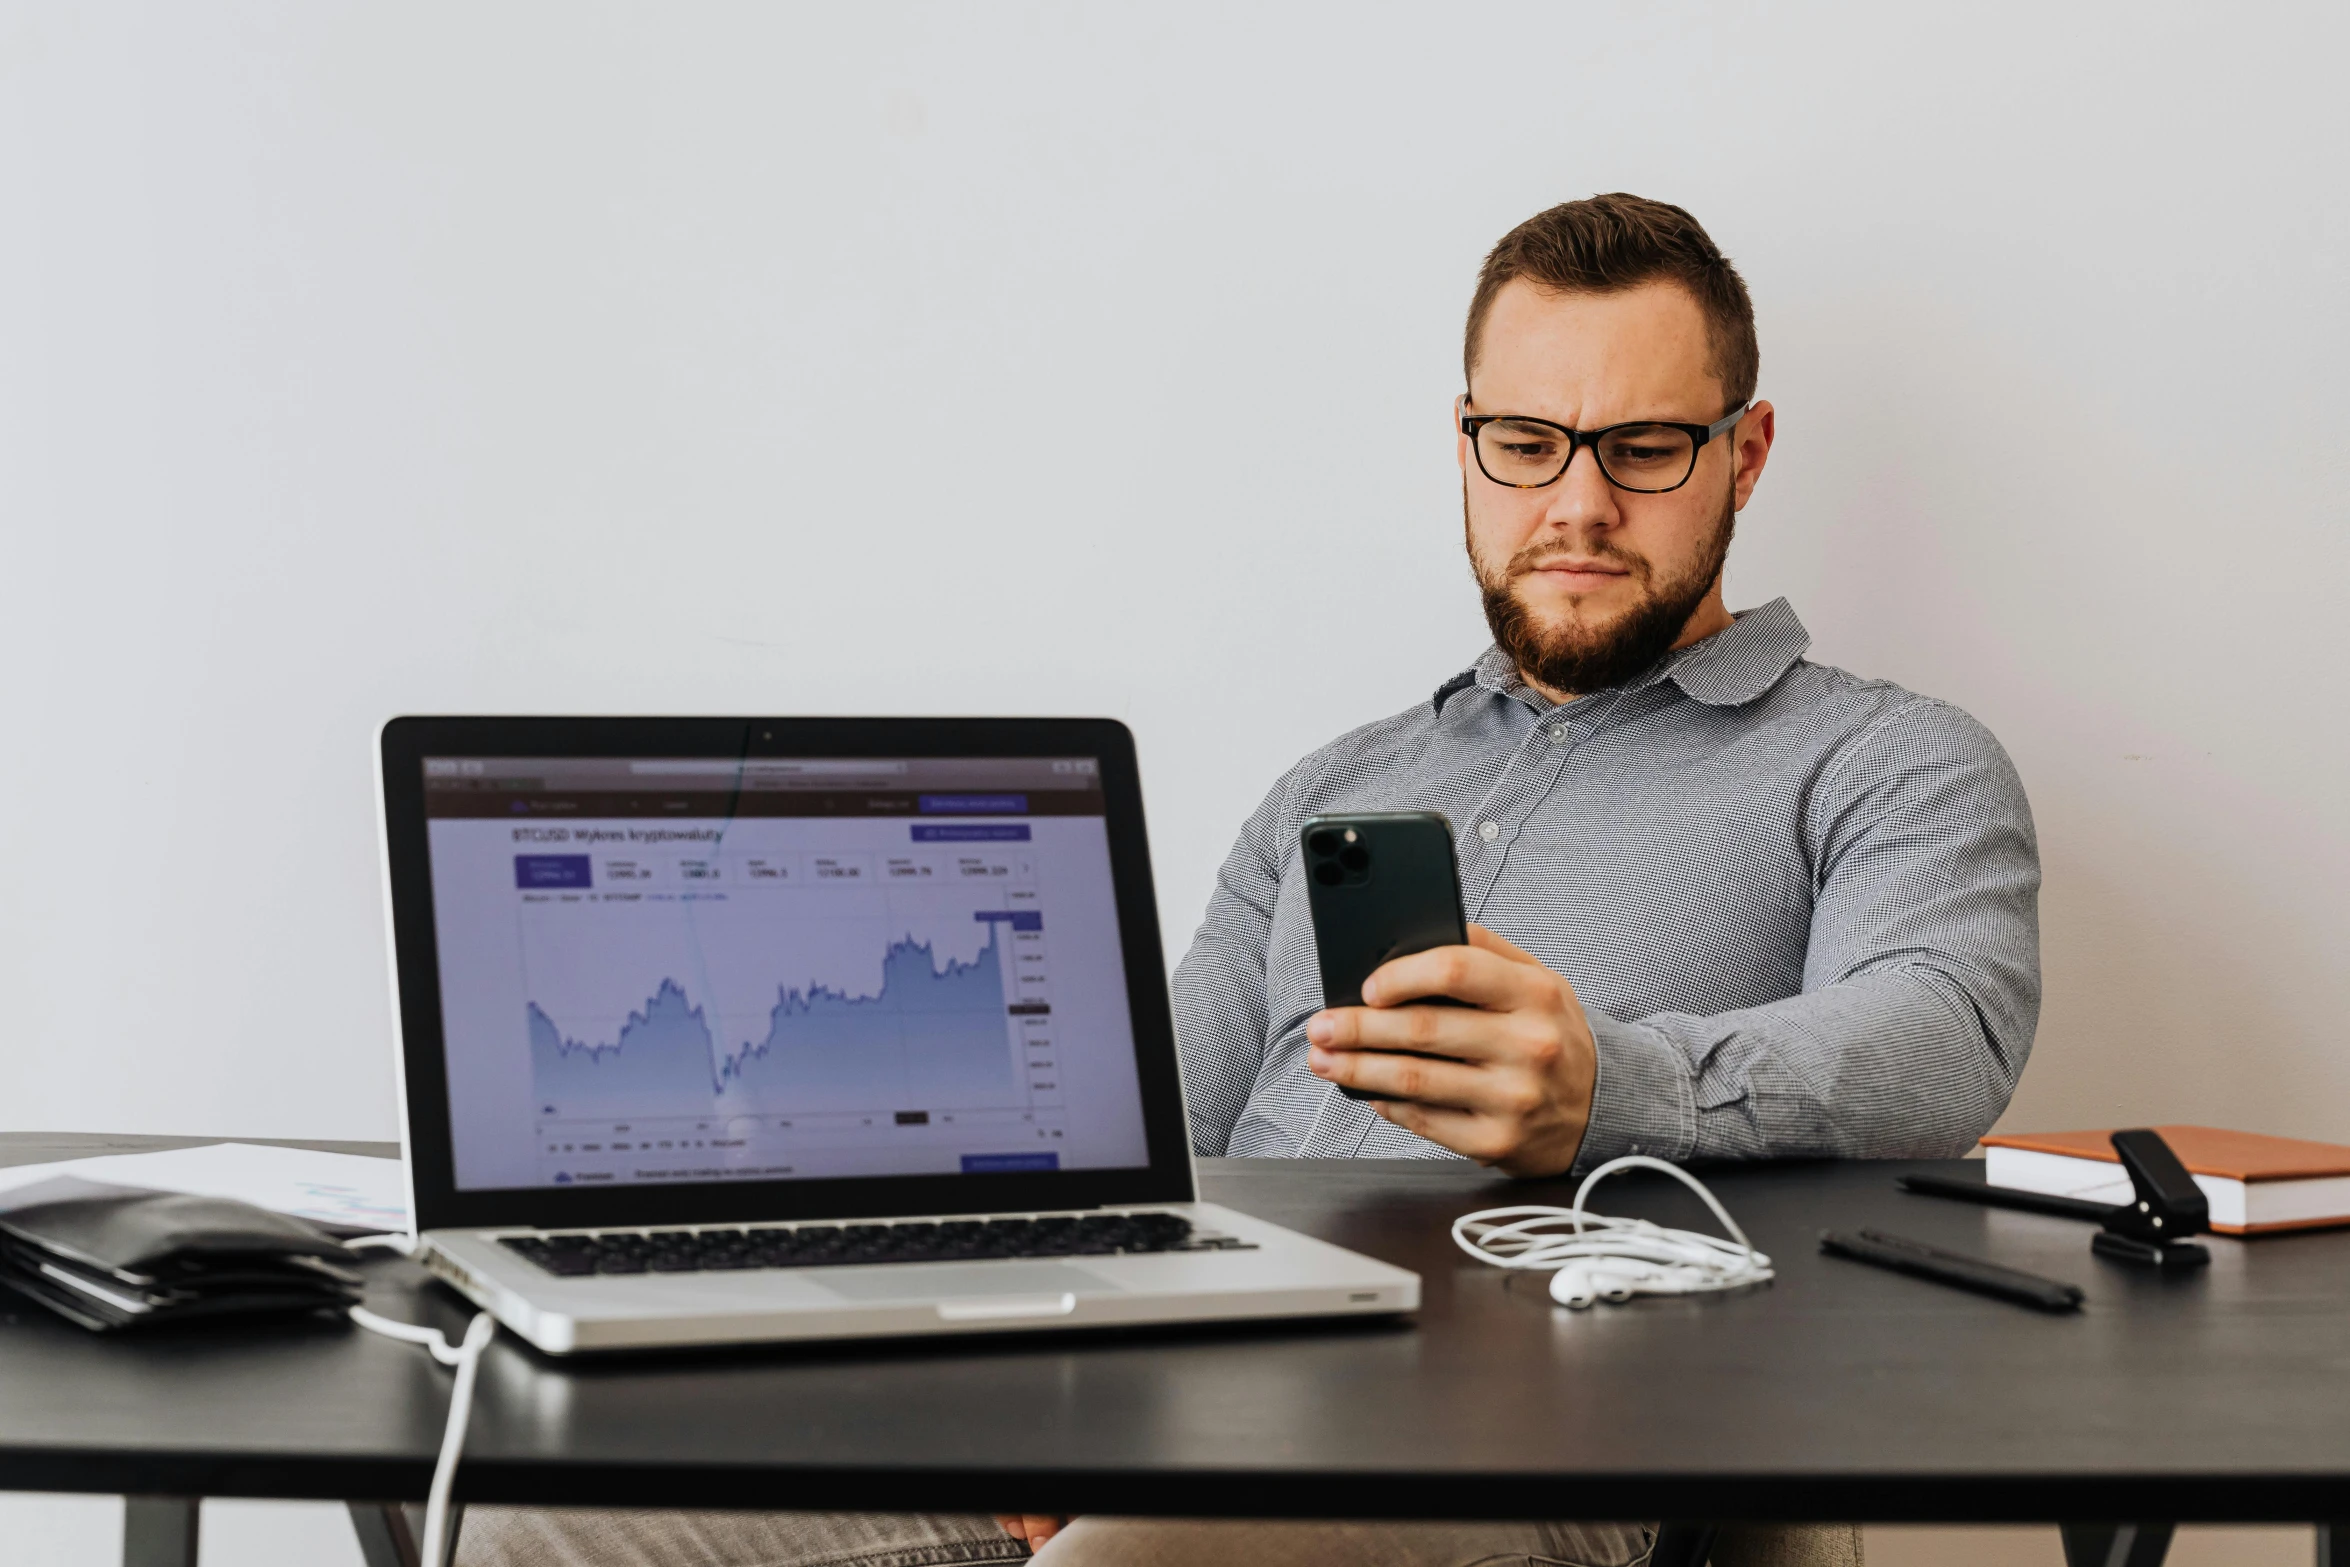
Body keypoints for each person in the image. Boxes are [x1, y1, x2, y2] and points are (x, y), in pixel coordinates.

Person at [461, 193, 2037, 1567]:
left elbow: (1941, 1031)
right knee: (539, 1521)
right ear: (1467, 443)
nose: (1574, 504)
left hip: (1519, 1434)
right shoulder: (1335, 782)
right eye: (1525, 442)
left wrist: (1611, 1087)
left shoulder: (1887, 758)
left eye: (1639, 447)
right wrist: (1009, 1372)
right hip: (1191, 1378)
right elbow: (1142, 1123)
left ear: (1742, 452)